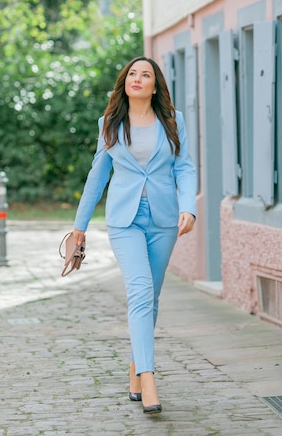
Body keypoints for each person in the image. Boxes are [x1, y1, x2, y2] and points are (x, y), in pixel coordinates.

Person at [72, 56, 196, 414]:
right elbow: (97, 177)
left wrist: (188, 206)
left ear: (155, 86)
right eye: (132, 74)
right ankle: (148, 376)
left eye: (146, 75)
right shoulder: (110, 123)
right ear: (124, 82)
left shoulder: (173, 121)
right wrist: (79, 228)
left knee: (150, 299)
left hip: (163, 219)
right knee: (140, 291)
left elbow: (184, 166)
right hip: (124, 220)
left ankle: (133, 372)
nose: (137, 79)